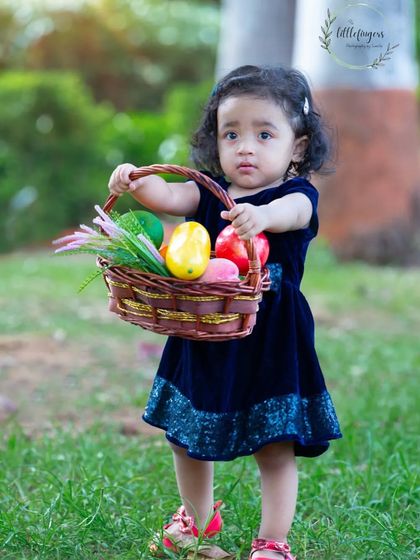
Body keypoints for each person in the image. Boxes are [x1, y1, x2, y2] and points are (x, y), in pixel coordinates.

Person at [108, 65, 342, 560]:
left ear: (297, 147)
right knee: (186, 438)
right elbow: (169, 196)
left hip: (269, 336)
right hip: (206, 330)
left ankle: (273, 540)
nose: (246, 147)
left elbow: (295, 215)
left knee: (274, 445)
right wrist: (135, 183)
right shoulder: (211, 193)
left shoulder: (294, 196)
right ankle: (196, 516)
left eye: (264, 134)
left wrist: (262, 215)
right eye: (231, 134)